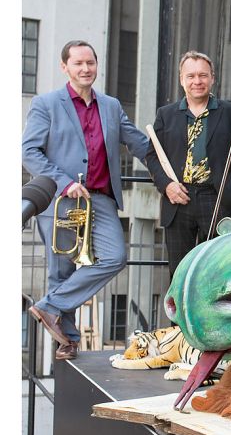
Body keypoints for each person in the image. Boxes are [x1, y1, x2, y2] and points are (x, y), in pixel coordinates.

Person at [22, 40, 150, 360]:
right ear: (65, 67)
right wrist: (64, 184)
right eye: (78, 63)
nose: (85, 69)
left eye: (90, 63)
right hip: (61, 200)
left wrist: (175, 162)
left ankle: (49, 306)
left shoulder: (111, 105)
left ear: (97, 65)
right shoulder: (46, 103)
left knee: (114, 256)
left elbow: (139, 144)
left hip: (101, 198)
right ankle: (68, 340)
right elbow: (29, 152)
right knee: (61, 271)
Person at [146, 51, 231, 277]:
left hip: (217, 198)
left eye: (203, 75)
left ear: (212, 78)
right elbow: (152, 156)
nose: (197, 81)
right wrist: (166, 186)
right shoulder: (166, 114)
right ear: (181, 79)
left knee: (217, 269)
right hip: (178, 198)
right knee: (180, 270)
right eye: (191, 76)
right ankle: (181, 314)